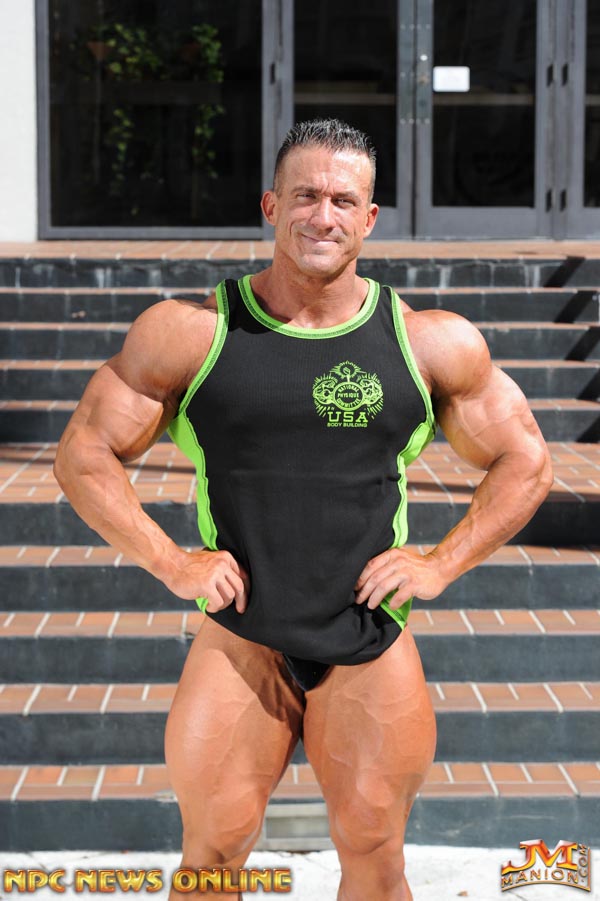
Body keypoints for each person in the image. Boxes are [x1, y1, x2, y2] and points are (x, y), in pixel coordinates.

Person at [54, 118, 553, 900]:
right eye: (306, 196)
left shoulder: (428, 343)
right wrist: (171, 560)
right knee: (212, 852)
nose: (324, 215)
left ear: (370, 217)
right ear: (270, 204)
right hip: (241, 635)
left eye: (343, 200)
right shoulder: (192, 333)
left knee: (376, 853)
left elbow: (527, 460)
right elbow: (83, 452)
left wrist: (440, 562)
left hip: (367, 636)